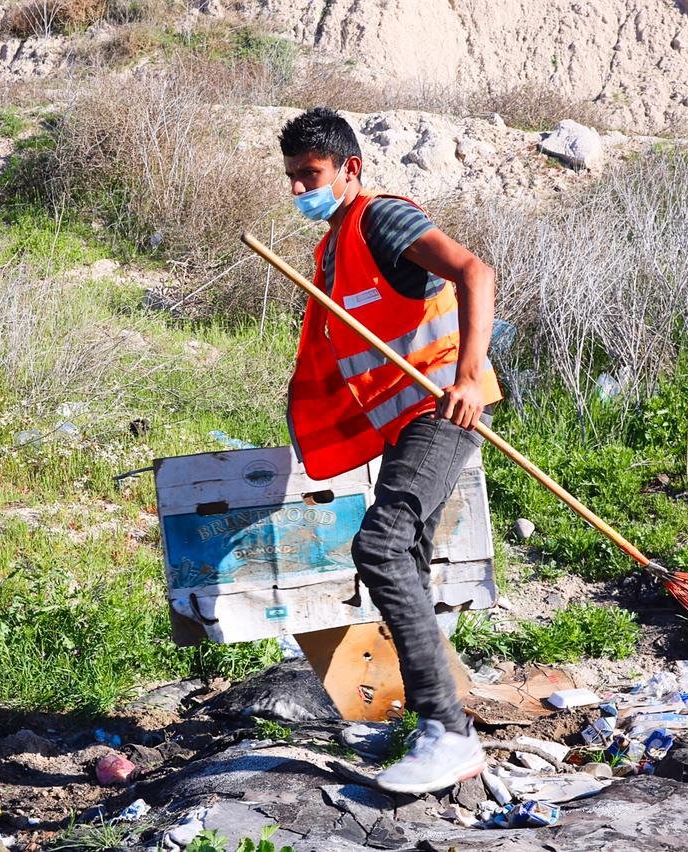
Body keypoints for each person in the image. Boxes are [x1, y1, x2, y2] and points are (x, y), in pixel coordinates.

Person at [279, 107, 503, 794]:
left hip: (442, 408)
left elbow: (475, 272)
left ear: (350, 169)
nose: (297, 191)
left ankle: (446, 734)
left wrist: (467, 378)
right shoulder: (332, 248)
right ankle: (439, 725)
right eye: (289, 178)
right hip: (406, 424)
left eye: (309, 175)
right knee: (401, 554)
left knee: (379, 546)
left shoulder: (382, 219)